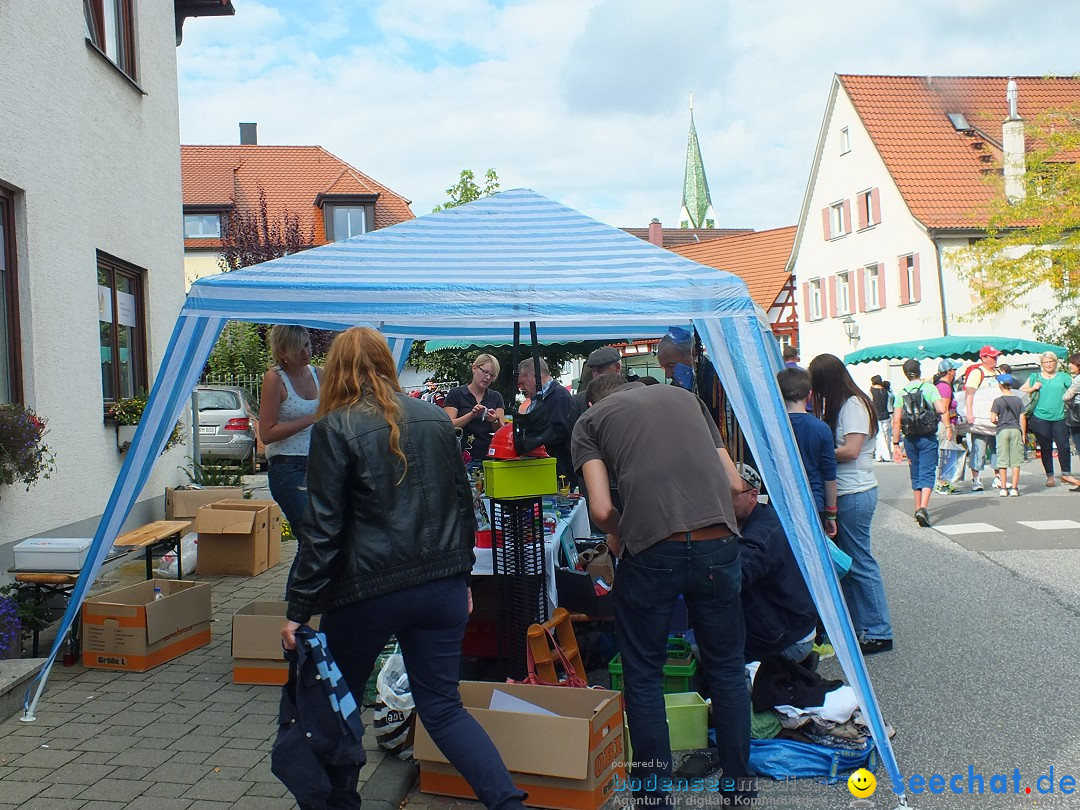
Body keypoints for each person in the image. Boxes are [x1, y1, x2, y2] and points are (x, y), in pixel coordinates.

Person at [281, 327, 526, 810]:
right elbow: (463, 505)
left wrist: (298, 607)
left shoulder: (335, 426)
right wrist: (461, 577)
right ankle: (508, 803)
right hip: (439, 588)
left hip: (367, 591)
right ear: (386, 365)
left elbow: (322, 529)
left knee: (339, 704)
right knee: (443, 708)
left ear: (338, 370)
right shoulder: (435, 418)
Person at [572, 373, 753, 807]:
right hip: (717, 544)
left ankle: (654, 797)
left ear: (594, 400)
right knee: (728, 671)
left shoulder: (591, 422)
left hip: (652, 551)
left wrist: (624, 536)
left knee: (645, 676)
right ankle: (739, 790)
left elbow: (600, 509)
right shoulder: (688, 399)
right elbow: (733, 485)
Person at [808, 354, 893, 655]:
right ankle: (861, 628)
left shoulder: (854, 405)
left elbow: (852, 450)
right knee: (850, 563)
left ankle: (878, 630)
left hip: (855, 491)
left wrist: (819, 450)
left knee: (859, 562)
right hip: (848, 491)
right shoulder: (847, 403)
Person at [732, 463, 819, 665]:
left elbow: (731, 578)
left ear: (753, 495)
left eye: (729, 494)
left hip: (786, 637)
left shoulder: (759, 536)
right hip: (796, 625)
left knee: (715, 653)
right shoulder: (764, 515)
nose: (720, 500)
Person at [259, 325, 321, 595]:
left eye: (308, 344)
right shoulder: (275, 379)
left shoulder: (320, 374)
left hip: (320, 465)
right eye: (300, 348)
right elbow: (267, 433)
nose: (307, 352)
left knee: (322, 535)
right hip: (287, 467)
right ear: (283, 351)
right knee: (311, 536)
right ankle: (295, 606)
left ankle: (307, 603)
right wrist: (311, 419)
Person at [777, 367, 837, 537]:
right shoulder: (821, 428)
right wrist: (831, 512)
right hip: (813, 501)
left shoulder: (772, 428)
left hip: (781, 501)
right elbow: (829, 475)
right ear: (809, 395)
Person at [891, 359, 949, 527]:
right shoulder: (930, 388)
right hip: (927, 436)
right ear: (920, 371)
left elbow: (896, 420)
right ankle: (923, 507)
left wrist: (896, 444)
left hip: (910, 437)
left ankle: (917, 508)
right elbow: (941, 409)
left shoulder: (901, 392)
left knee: (915, 471)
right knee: (928, 471)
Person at [1020, 351, 1079, 488]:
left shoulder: (1063, 377)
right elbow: (1020, 391)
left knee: (1063, 446)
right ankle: (1050, 476)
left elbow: (1075, 389)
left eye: (1051, 361)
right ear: (1042, 364)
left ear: (1055, 362)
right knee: (1045, 447)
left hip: (1060, 416)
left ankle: (1066, 473)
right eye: (1045, 362)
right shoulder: (1035, 377)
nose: (1048, 364)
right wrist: (1032, 388)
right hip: (1040, 417)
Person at [517, 356, 576, 488]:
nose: (521, 388)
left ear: (535, 376)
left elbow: (559, 431)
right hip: (546, 469)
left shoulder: (559, 395)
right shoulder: (539, 397)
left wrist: (529, 439)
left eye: (523, 383)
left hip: (559, 471)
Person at [443, 354, 505, 464]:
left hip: (489, 458)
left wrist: (494, 420)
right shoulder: (456, 394)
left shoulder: (496, 397)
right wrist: (472, 414)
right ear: (474, 368)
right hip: (461, 459)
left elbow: (502, 433)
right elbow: (448, 426)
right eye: (485, 372)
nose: (487, 378)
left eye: (492, 376)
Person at [963, 346, 1002, 491]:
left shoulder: (998, 372)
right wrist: (970, 413)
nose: (995, 359)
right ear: (983, 358)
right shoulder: (977, 373)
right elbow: (970, 393)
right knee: (979, 447)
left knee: (997, 448)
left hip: (996, 418)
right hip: (980, 417)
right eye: (992, 357)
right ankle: (976, 479)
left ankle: (998, 477)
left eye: (996, 356)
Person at [567, 346, 622, 440]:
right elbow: (573, 438)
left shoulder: (633, 394)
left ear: (617, 368)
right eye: (593, 371)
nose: (596, 375)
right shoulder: (579, 401)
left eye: (600, 369)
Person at [990, 373, 1025, 497]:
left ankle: (1003, 488)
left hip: (1002, 430)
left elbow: (993, 418)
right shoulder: (1018, 400)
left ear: (1000, 385)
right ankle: (1015, 488)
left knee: (1003, 460)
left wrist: (998, 421)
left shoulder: (997, 401)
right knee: (1016, 461)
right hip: (1015, 429)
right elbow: (1022, 417)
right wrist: (1023, 434)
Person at [933, 360, 964, 493]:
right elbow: (944, 409)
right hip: (945, 424)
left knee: (946, 453)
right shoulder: (945, 387)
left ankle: (944, 483)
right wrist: (948, 428)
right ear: (949, 371)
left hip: (944, 424)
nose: (956, 372)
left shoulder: (940, 385)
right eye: (954, 370)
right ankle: (942, 484)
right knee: (946, 454)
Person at [1063, 354, 1080, 484]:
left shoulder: (1077, 379)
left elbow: (1067, 396)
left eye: (1072, 363)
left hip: (1077, 416)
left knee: (1078, 445)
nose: (1070, 366)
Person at [870, 375, 892, 462]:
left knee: (880, 436)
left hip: (876, 416)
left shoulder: (871, 391)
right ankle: (878, 456)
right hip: (886, 415)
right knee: (884, 435)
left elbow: (870, 403)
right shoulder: (885, 391)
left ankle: (886, 456)